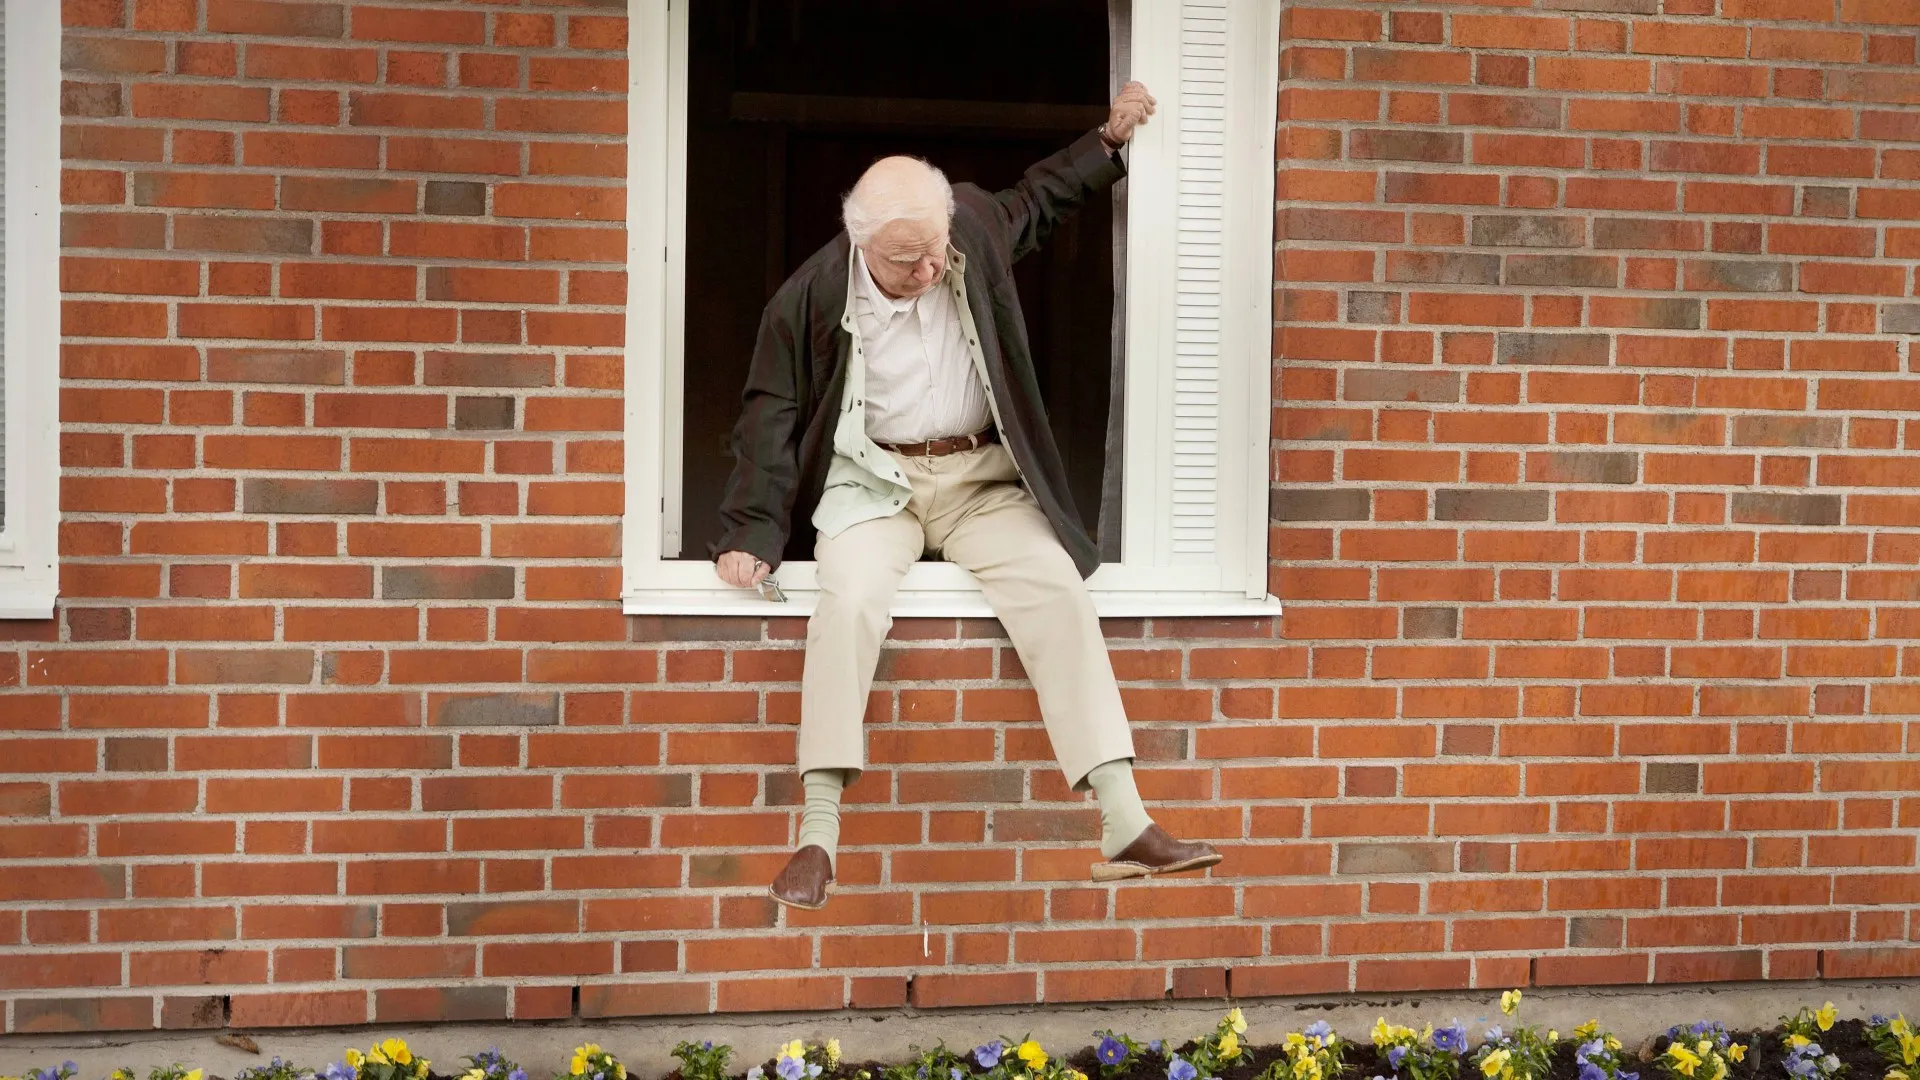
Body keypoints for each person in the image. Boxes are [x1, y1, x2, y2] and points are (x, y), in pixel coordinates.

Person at [712, 82, 1222, 911]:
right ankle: (818, 833)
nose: (928, 268)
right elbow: (768, 414)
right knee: (848, 600)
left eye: (934, 248)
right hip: (874, 482)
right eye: (905, 260)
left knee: (1056, 588)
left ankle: (1125, 821)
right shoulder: (808, 296)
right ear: (861, 245)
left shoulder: (969, 231)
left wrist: (1107, 141)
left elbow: (1038, 199)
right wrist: (749, 531)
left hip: (980, 481)